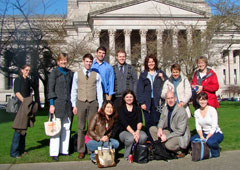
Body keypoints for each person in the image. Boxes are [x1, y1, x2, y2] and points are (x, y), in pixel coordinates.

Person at [71, 53, 103, 159]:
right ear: (83, 61)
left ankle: (91, 148)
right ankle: (81, 150)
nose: (88, 63)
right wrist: (73, 104)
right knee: (81, 127)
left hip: (93, 102)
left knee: (92, 127)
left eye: (90, 62)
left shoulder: (96, 75)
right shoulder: (77, 74)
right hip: (80, 102)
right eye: (87, 61)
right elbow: (74, 90)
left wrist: (100, 104)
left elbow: (99, 90)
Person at [48, 53, 73, 161]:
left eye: (65, 60)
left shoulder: (70, 73)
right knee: (56, 129)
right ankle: (54, 152)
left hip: (68, 105)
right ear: (58, 62)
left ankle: (64, 150)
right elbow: (51, 89)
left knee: (66, 128)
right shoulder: (54, 73)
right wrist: (51, 104)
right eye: (61, 60)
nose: (63, 62)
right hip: (57, 104)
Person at [149, 90, 190, 158]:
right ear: (166, 100)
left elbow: (181, 131)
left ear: (175, 99)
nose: (170, 100)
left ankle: (181, 151)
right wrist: (159, 128)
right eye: (168, 98)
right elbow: (162, 120)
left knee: (168, 145)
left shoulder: (181, 111)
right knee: (152, 129)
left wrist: (166, 137)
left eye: (172, 98)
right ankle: (161, 148)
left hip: (180, 135)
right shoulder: (166, 108)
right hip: (169, 131)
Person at [137, 54, 168, 142]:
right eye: (149, 62)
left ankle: (157, 139)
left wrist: (162, 77)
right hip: (147, 101)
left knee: (157, 120)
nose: (151, 63)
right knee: (148, 121)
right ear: (146, 63)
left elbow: (167, 84)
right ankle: (149, 140)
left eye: (152, 62)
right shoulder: (143, 74)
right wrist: (141, 102)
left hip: (157, 101)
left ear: (155, 62)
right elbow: (139, 89)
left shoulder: (160, 72)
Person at [10, 64, 38, 158]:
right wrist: (25, 102)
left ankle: (22, 149)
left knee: (24, 129)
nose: (28, 72)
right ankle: (14, 152)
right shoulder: (18, 80)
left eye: (29, 70)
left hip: (27, 105)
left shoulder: (28, 80)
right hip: (21, 105)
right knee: (18, 129)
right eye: (26, 70)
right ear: (22, 70)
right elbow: (17, 92)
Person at [191, 92, 224, 157]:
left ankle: (215, 152)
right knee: (192, 140)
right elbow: (198, 127)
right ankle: (204, 150)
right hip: (204, 133)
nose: (202, 102)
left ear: (207, 100)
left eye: (204, 99)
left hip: (215, 133)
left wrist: (207, 137)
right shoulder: (197, 112)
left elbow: (214, 126)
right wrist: (201, 136)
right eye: (201, 100)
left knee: (210, 142)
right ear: (198, 101)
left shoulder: (212, 110)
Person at [118, 90, 148, 160]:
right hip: (124, 131)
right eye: (127, 97)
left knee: (143, 137)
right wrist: (134, 134)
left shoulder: (137, 108)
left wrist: (137, 132)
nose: (129, 98)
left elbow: (140, 121)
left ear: (133, 98)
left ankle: (139, 154)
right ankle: (127, 156)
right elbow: (125, 124)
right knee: (130, 138)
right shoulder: (121, 109)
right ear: (124, 98)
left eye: (131, 97)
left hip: (136, 130)